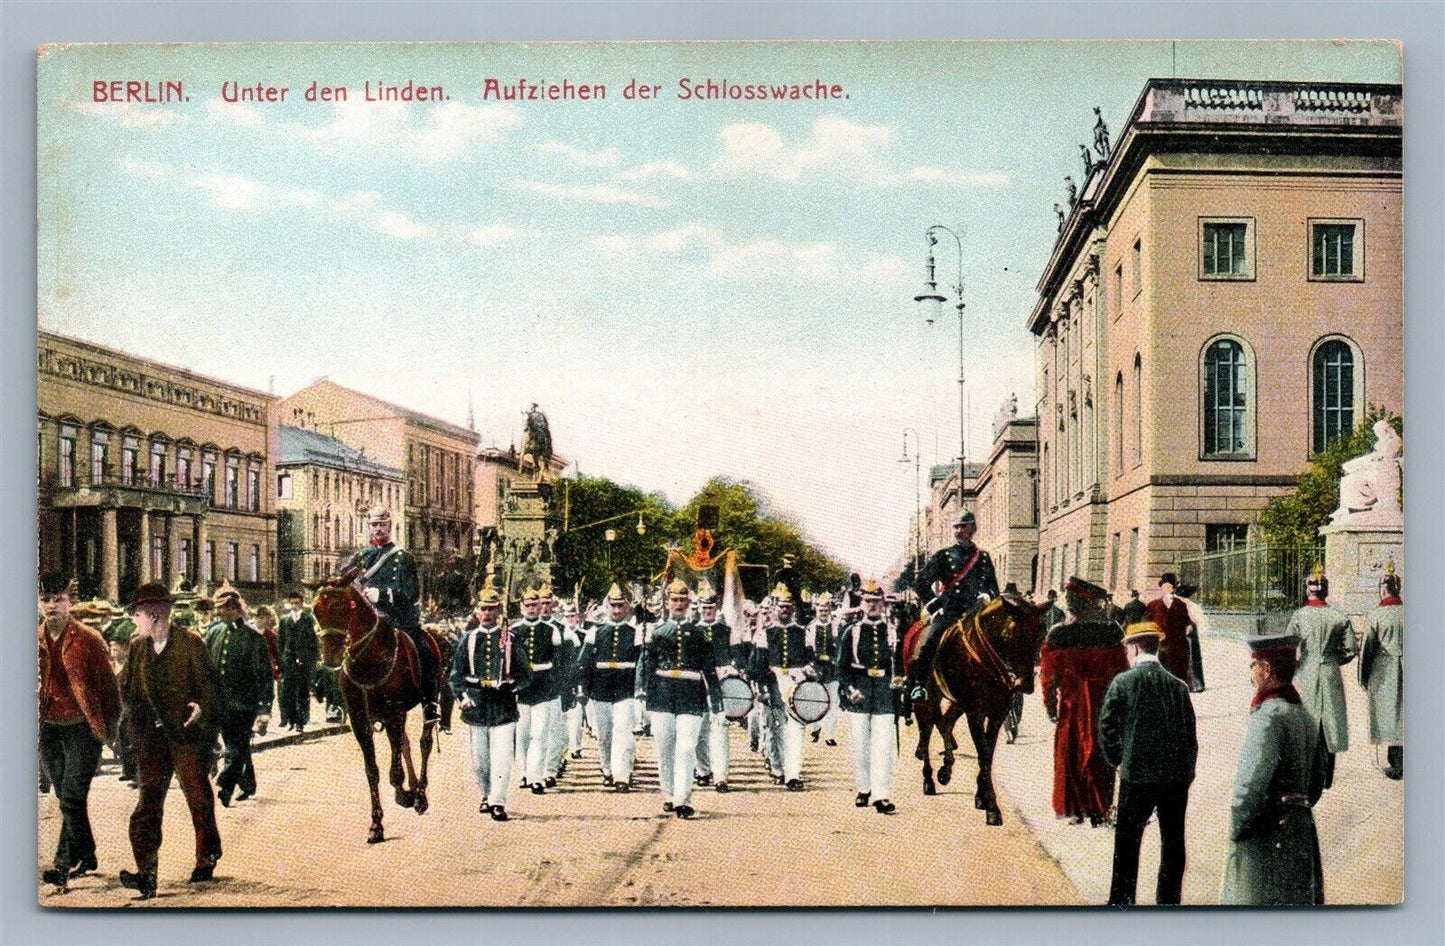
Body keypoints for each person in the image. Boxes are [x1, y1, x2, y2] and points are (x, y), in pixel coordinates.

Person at [119, 582, 222, 900]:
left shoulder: (191, 644)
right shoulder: (138, 647)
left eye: (137, 614)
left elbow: (211, 689)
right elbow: (127, 692)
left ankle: (206, 854)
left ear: (154, 615)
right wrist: (131, 734)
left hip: (186, 737)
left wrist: (201, 707)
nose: (135, 619)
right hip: (152, 740)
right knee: (147, 805)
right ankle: (146, 874)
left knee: (198, 796)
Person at [1220, 631, 1326, 905]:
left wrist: (1237, 829)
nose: (1251, 675)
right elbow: (1316, 783)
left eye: (1253, 666)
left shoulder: (1268, 716)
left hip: (1266, 836)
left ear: (1266, 669)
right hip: (1300, 832)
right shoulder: (1305, 715)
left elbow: (1249, 786)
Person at [1098, 622, 1199, 905]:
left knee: (1127, 843)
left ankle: (1122, 902)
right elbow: (1190, 736)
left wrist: (1118, 761)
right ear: (1156, 647)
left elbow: (1107, 728)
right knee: (1173, 842)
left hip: (1136, 775)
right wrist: (1187, 773)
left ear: (1134, 647)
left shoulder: (1123, 683)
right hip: (1175, 778)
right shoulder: (1178, 686)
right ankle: (1168, 903)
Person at [38, 574, 121, 889]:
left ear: (69, 602)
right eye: (46, 600)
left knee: (72, 797)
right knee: (66, 797)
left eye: (58, 600)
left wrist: (109, 732)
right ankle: (87, 854)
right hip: (48, 728)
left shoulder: (88, 639)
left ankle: (64, 864)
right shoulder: (34, 638)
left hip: (82, 729)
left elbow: (109, 690)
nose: (51, 606)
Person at [1040, 576, 1128, 826]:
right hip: (1104, 705)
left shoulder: (1059, 633)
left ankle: (1076, 809)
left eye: (1071, 599)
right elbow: (1122, 672)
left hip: (1072, 706)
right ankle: (1100, 808)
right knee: (1101, 753)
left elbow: (1048, 677)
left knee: (1071, 755)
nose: (1068, 602)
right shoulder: (1113, 632)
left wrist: (1049, 704)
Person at [635, 580, 722, 818]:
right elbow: (645, 663)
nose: (679, 604)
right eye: (674, 600)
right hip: (662, 694)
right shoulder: (657, 632)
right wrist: (641, 690)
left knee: (686, 746)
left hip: (691, 694)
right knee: (665, 747)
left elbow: (709, 667)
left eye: (683, 600)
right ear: (667, 603)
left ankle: (683, 799)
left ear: (689, 603)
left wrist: (716, 698)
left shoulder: (699, 634)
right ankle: (669, 793)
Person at [348, 507, 439, 724]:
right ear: (368, 527)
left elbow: (412, 593)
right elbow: (344, 583)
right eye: (374, 525)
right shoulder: (360, 557)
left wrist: (382, 594)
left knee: (425, 650)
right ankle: (337, 702)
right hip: (369, 622)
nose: (378, 529)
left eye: (382, 524)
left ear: (390, 526)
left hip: (398, 619)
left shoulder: (403, 557)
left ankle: (430, 703)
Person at [450, 579, 531, 822]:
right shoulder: (468, 639)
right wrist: (463, 697)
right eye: (483, 609)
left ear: (499, 611)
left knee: (502, 757)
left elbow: (525, 675)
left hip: (502, 705)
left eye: (492, 609)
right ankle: (485, 794)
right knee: (480, 762)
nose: (487, 613)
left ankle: (498, 801)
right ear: (477, 611)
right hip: (476, 705)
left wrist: (512, 686)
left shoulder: (510, 639)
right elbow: (456, 676)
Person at [904, 510, 999, 704]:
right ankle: (919, 685)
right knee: (929, 642)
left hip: (978, 611)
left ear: (972, 529)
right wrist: (934, 605)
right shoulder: (943, 556)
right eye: (956, 527)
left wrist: (987, 595)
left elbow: (993, 588)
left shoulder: (983, 557)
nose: (959, 531)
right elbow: (920, 582)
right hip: (950, 611)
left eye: (963, 526)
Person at [1288, 568, 1357, 789]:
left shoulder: (1299, 616)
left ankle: (1308, 774)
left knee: (1308, 720)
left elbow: (1288, 646)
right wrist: (1334, 660)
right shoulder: (1339, 617)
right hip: (1330, 671)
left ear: (1307, 590)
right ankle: (1327, 775)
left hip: (1306, 672)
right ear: (1325, 591)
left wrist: (1297, 664)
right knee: (1330, 722)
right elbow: (1351, 648)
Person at [835, 580, 899, 814]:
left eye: (876, 601)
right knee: (861, 746)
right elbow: (841, 668)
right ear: (862, 603)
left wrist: (899, 682)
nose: (872, 605)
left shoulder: (892, 631)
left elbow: (900, 665)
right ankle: (864, 789)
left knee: (883, 747)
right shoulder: (851, 632)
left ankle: (881, 795)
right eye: (868, 601)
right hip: (859, 693)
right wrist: (849, 689)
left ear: (883, 604)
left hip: (884, 693)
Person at [205, 585, 273, 806]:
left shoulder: (253, 638)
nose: (220, 612)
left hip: (245, 704)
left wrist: (264, 709)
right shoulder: (214, 632)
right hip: (221, 703)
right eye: (219, 608)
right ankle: (248, 783)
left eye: (225, 608)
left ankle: (225, 786)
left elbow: (264, 676)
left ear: (235, 609)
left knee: (235, 746)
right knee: (236, 744)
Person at [578, 584, 645, 791]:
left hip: (625, 688)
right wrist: (583, 688)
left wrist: (640, 686)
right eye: (613, 606)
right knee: (604, 734)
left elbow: (641, 661)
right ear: (607, 606)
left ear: (627, 607)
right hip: (601, 688)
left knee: (623, 731)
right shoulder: (595, 632)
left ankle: (622, 775)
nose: (617, 610)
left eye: (620, 606)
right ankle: (607, 769)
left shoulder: (635, 632)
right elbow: (584, 662)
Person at [752, 582, 817, 790]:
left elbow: (811, 659)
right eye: (782, 606)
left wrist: (807, 669)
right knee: (775, 727)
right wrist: (763, 687)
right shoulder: (765, 633)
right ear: (775, 608)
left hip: (796, 682)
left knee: (796, 728)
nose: (785, 610)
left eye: (788, 606)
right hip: (773, 682)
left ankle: (793, 774)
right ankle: (777, 766)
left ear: (793, 608)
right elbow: (758, 665)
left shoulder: (803, 632)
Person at [510, 586, 562, 793]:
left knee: (539, 734)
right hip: (521, 688)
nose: (532, 608)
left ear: (541, 606)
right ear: (522, 607)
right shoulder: (514, 631)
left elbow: (557, 662)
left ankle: (536, 776)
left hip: (542, 686)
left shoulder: (551, 630)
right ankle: (524, 772)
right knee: (522, 733)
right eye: (528, 605)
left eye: (535, 605)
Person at [1360, 564, 1403, 779]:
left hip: (1385, 670)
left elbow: (1367, 648)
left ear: (1383, 589)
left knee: (1390, 715)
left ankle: (1396, 764)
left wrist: (1363, 676)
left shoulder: (1376, 615)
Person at [691, 580, 736, 791]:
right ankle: (703, 770)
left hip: (720, 684)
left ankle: (721, 777)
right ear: (699, 608)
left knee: (720, 730)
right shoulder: (692, 631)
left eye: (710, 607)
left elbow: (736, 656)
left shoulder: (725, 630)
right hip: (698, 685)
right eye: (704, 607)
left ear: (716, 608)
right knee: (699, 731)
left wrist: (731, 668)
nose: (707, 611)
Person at [277, 588, 319, 732]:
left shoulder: (307, 619)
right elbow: (281, 641)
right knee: (288, 690)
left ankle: (301, 721)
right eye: (292, 603)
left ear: (301, 603)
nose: (294, 606)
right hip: (288, 658)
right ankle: (291, 720)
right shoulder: (284, 620)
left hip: (303, 659)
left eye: (297, 603)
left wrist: (313, 659)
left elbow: (313, 640)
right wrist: (282, 660)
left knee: (302, 690)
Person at [1144, 573, 1193, 687]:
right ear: (1161, 588)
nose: (1167, 589)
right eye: (1164, 586)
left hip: (1177, 645)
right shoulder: (1153, 605)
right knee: (1160, 672)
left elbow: (1187, 622)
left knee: (1177, 673)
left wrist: (1188, 628)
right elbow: (1146, 623)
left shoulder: (1180, 605)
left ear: (1174, 588)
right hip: (1159, 645)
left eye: (1169, 586)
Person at [807, 592, 841, 747]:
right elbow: (807, 649)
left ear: (830, 610)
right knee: (816, 701)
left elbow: (840, 647)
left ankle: (830, 735)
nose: (823, 613)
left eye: (826, 610)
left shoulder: (836, 626)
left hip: (832, 670)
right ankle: (815, 727)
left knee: (833, 702)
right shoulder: (811, 628)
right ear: (816, 610)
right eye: (820, 610)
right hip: (817, 669)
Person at [252, 604, 282, 736]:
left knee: (267, 696)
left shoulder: (270, 635)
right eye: (268, 618)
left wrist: (279, 669)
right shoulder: (247, 632)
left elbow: (277, 654)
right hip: (250, 671)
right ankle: (251, 724)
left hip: (267, 671)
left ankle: (263, 723)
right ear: (261, 618)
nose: (269, 621)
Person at [1175, 583, 1208, 693]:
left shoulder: (1187, 605)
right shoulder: (1189, 605)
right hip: (1186, 632)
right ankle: (1195, 684)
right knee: (1191, 657)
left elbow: (1195, 620)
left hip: (1188, 632)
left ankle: (1193, 684)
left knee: (1190, 657)